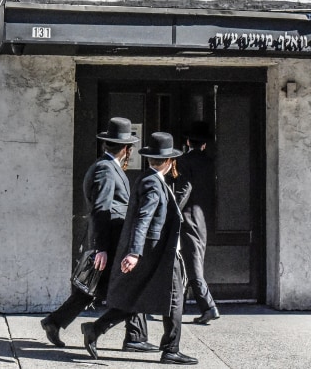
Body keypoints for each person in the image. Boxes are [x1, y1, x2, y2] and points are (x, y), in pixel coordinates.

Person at [81, 132, 198, 365]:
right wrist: (134, 252)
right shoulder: (153, 184)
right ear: (168, 161)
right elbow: (142, 219)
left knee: (138, 297)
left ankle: (95, 329)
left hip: (153, 252)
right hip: (157, 254)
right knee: (174, 300)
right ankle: (171, 350)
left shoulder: (148, 179)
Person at [40, 117, 156, 353]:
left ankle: (55, 321)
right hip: (110, 242)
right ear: (125, 148)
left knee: (90, 289)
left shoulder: (107, 167)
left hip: (112, 241)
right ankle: (132, 336)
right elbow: (100, 209)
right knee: (130, 286)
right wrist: (100, 247)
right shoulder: (105, 169)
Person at [175, 121, 219, 324]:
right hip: (202, 217)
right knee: (193, 258)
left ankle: (208, 306)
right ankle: (182, 303)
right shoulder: (210, 162)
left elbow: (184, 188)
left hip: (188, 216)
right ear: (204, 144)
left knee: (192, 262)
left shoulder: (183, 161)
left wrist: (173, 210)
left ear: (187, 142)